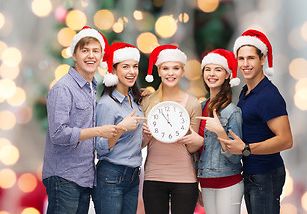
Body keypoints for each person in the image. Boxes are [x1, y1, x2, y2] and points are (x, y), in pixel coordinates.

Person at [42, 26, 126, 214]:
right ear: (74, 54)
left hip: (84, 177)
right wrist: (99, 131)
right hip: (63, 177)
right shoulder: (63, 88)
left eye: (96, 51)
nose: (91, 56)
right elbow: (58, 134)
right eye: (85, 50)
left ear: (101, 56)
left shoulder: (91, 87)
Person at [219, 29, 293, 214]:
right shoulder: (246, 91)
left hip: (265, 175)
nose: (245, 64)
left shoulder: (268, 95)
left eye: (251, 58)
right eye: (241, 59)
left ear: (262, 59)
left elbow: (286, 140)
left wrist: (245, 148)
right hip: (253, 174)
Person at [141, 45, 203, 214]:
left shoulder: (192, 103)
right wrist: (145, 137)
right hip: (154, 176)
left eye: (176, 68)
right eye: (165, 68)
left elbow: (192, 148)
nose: (170, 73)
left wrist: (189, 136)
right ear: (158, 71)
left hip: (184, 178)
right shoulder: (147, 102)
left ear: (183, 71)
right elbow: (139, 144)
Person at [92, 42, 147, 214]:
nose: (132, 72)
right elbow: (100, 147)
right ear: (114, 70)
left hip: (132, 176)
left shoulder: (134, 101)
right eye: (125, 67)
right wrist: (120, 128)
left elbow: (132, 144)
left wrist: (148, 136)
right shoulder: (107, 104)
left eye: (135, 66)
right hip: (111, 175)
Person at [195, 49, 244, 214]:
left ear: (227, 75)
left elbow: (237, 157)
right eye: (208, 69)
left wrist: (220, 132)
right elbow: (197, 152)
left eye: (218, 69)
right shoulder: (200, 109)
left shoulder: (232, 112)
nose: (212, 74)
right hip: (206, 183)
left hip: (228, 183)